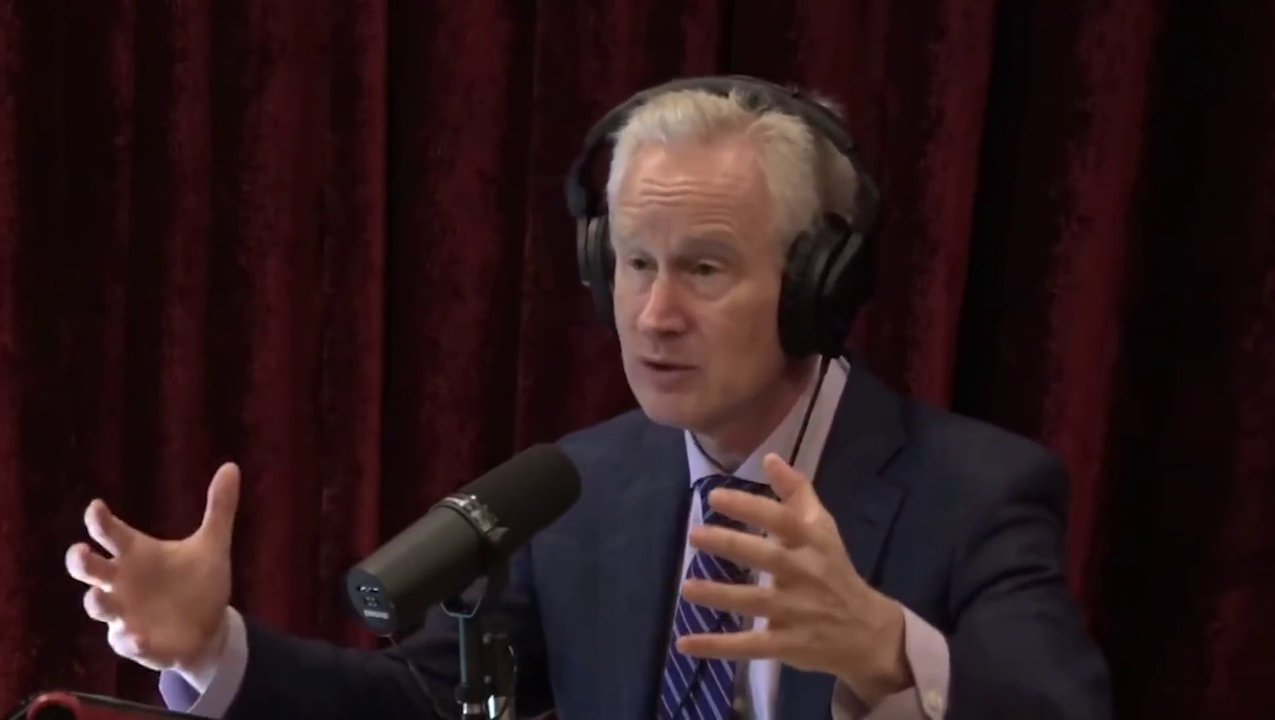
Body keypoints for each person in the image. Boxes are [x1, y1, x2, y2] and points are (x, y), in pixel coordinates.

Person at [64, 76, 1112, 720]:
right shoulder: (580, 488)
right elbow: (420, 702)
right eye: (634, 263)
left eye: (704, 269)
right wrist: (209, 646)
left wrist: (885, 652)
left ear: (814, 287)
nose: (654, 315)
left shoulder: (972, 492)